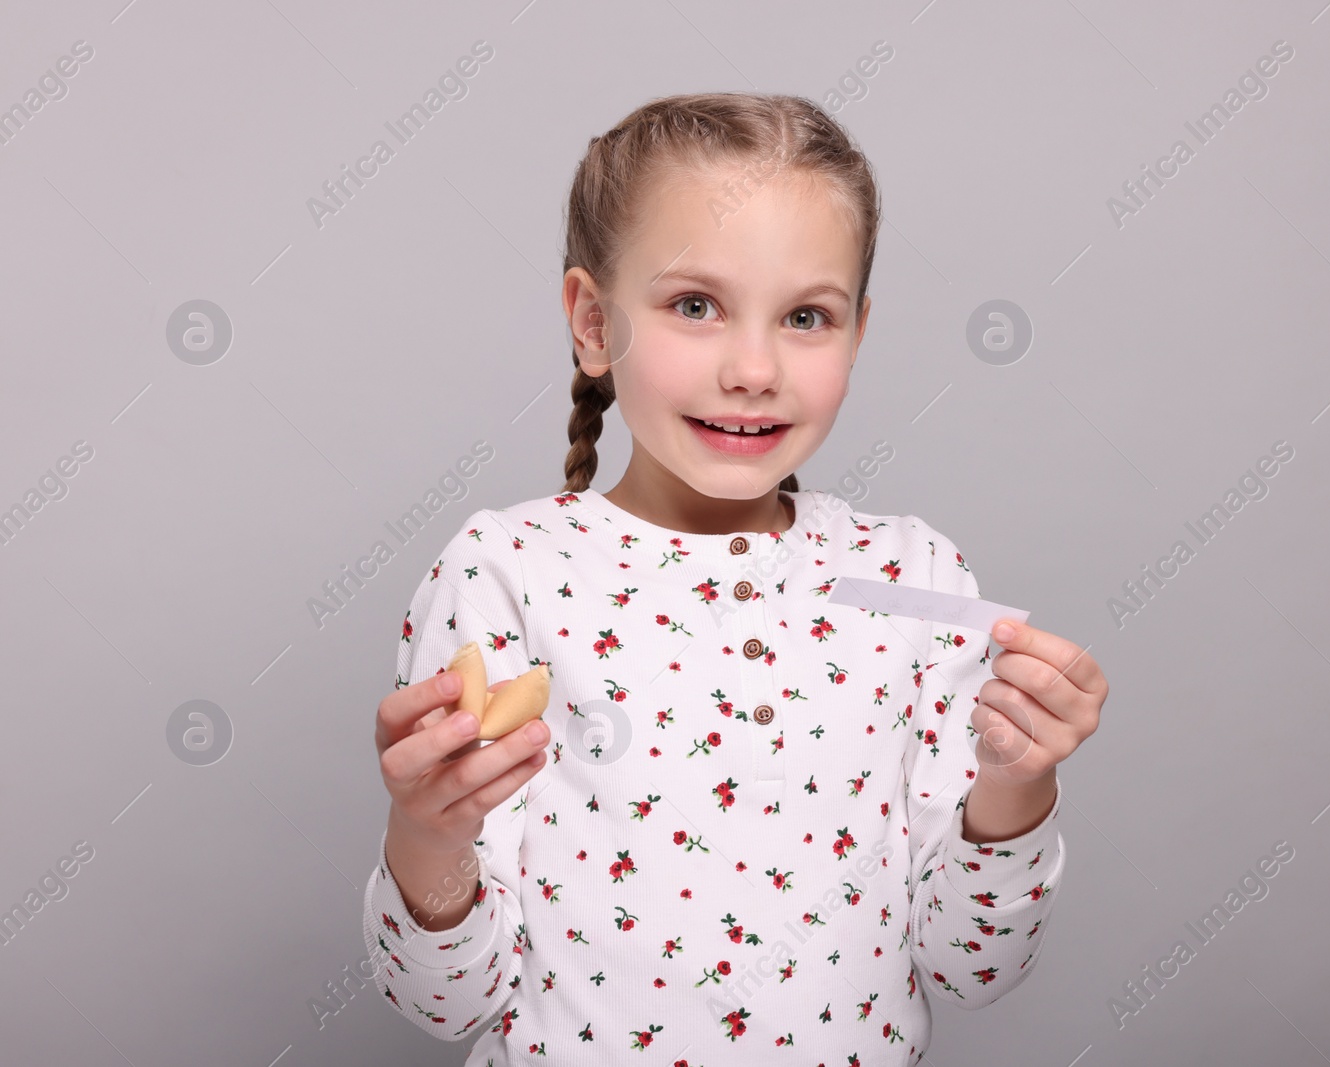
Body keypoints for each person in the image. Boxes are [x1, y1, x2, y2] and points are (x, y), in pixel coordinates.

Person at [363, 91, 1108, 1065]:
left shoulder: (914, 576)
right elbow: (443, 1002)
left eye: (805, 315)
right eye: (695, 306)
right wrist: (426, 834)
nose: (754, 367)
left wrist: (1018, 780)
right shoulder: (506, 572)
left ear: (857, 332)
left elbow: (977, 969)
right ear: (593, 322)